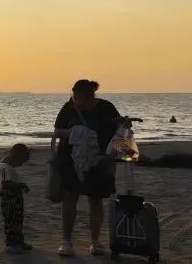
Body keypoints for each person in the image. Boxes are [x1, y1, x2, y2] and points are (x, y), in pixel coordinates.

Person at [50, 80, 121, 257]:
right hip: (70, 158)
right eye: (73, 97)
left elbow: (119, 133)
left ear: (90, 96)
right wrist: (77, 133)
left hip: (98, 160)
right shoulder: (69, 107)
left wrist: (113, 156)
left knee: (95, 199)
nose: (75, 101)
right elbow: (57, 131)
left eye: (78, 98)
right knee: (69, 196)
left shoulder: (106, 108)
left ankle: (94, 241)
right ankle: (66, 241)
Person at [0, 144, 33, 254]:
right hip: (9, 196)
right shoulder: (4, 167)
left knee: (18, 219)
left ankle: (18, 241)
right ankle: (11, 244)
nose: (20, 165)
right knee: (11, 219)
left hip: (16, 195)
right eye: (20, 162)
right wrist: (21, 185)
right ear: (15, 157)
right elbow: (5, 184)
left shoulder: (9, 165)